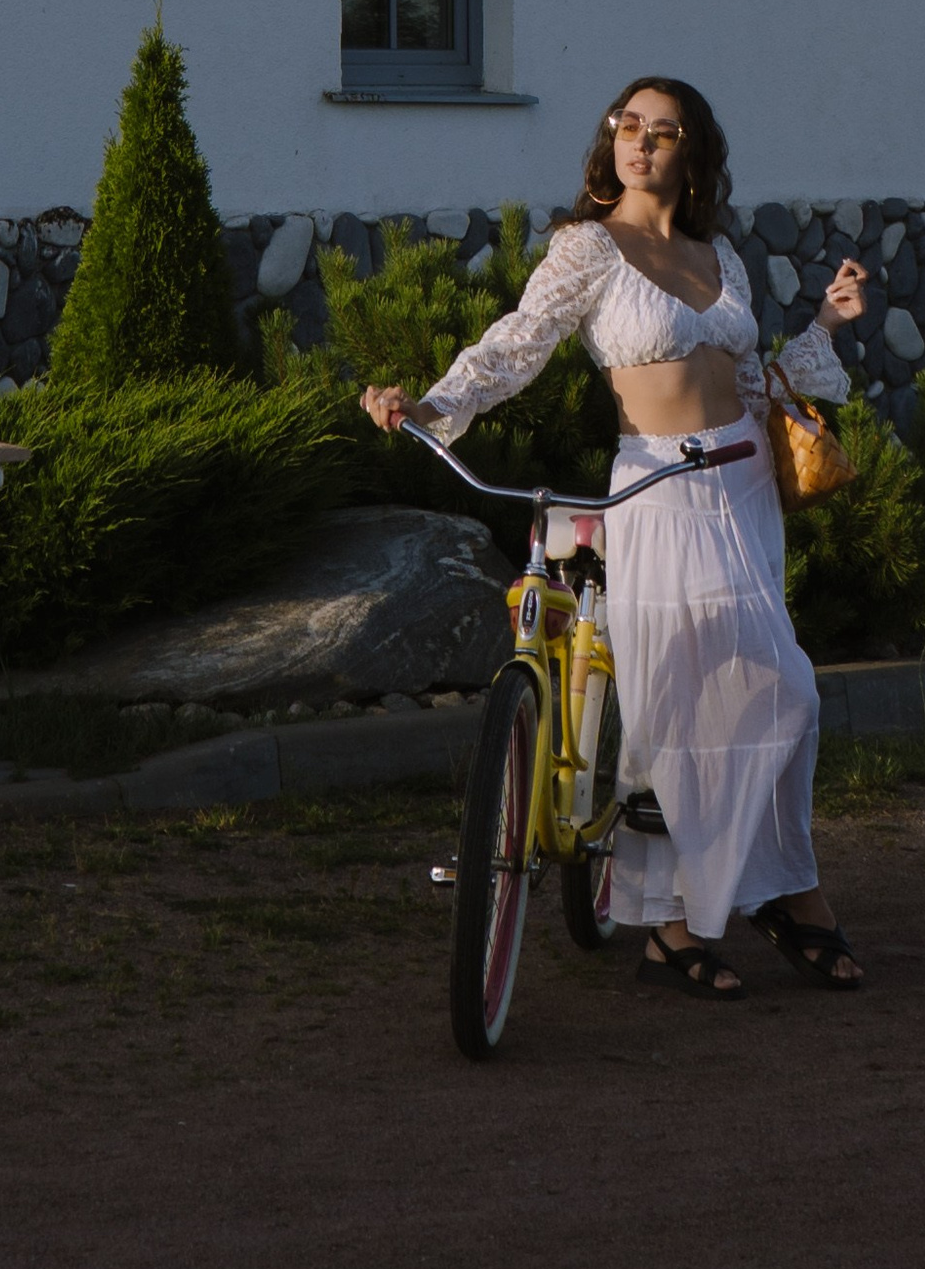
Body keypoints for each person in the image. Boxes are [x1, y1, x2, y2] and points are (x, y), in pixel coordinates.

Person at [363, 77, 869, 1001]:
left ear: (693, 152)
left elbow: (751, 382)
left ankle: (719, 913)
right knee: (721, 703)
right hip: (661, 493)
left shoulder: (721, 255)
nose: (641, 143)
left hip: (746, 483)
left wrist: (827, 325)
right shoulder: (587, 248)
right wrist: (433, 405)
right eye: (627, 126)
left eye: (663, 131)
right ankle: (749, 904)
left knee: (764, 698)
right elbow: (518, 343)